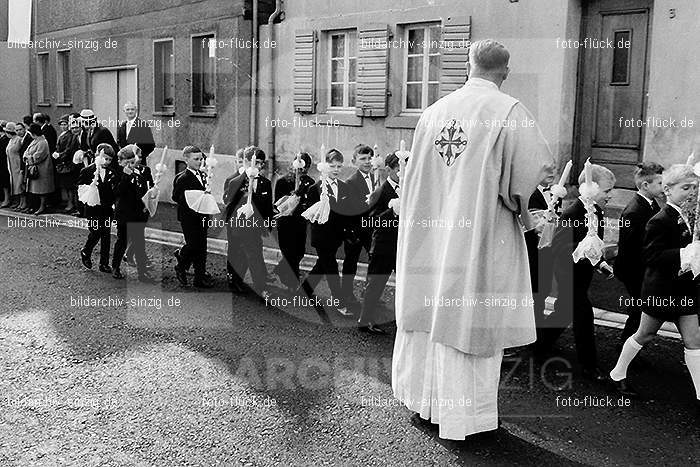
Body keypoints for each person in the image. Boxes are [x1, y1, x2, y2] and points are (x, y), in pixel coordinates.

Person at [392, 39, 554, 440]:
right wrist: (531, 212)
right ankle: (466, 419)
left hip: (431, 237)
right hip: (479, 237)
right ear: (505, 71)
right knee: (469, 322)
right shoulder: (508, 110)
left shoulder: (433, 112)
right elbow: (531, 174)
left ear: (469, 66)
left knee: (433, 317)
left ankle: (425, 403)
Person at [610, 164, 700, 407]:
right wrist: (685, 253)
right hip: (661, 291)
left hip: (684, 290)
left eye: (694, 188)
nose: (692, 192)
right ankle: (617, 373)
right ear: (668, 190)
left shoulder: (689, 217)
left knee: (694, 340)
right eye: (685, 188)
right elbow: (652, 257)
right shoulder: (658, 220)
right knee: (644, 334)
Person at [537, 164, 616, 380]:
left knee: (563, 312)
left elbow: (593, 244)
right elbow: (560, 248)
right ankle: (589, 365)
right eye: (607, 191)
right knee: (583, 315)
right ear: (589, 189)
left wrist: (599, 262)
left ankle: (538, 345)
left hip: (581, 274)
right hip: (568, 274)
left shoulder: (595, 211)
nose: (611, 196)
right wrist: (580, 255)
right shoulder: (574, 213)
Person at [614, 163, 665, 350]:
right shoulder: (634, 211)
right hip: (634, 270)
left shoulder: (650, 205)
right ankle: (625, 349)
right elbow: (629, 249)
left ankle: (631, 350)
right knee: (638, 311)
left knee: (640, 311)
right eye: (660, 183)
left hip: (641, 269)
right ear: (645, 185)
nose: (663, 187)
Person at [298, 148, 352, 316]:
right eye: (332, 166)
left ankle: (304, 290)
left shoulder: (343, 187)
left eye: (339, 166)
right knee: (331, 266)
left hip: (336, 235)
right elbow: (310, 214)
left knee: (322, 265)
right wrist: (321, 205)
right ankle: (339, 301)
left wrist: (347, 231)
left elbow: (344, 212)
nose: (336, 170)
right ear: (325, 166)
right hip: (322, 235)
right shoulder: (316, 188)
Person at [357, 152, 402, 335]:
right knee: (375, 285)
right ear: (389, 170)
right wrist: (392, 211)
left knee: (406, 285)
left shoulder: (406, 188)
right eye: (399, 170)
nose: (402, 174)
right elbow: (370, 221)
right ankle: (364, 320)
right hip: (383, 246)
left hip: (401, 246)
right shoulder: (381, 192)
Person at [223, 146, 274, 299]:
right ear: (245, 161)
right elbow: (228, 202)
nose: (258, 167)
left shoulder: (265, 183)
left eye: (261, 163)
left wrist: (268, 224)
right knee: (241, 254)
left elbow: (267, 207)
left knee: (254, 254)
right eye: (255, 162)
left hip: (255, 226)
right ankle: (237, 281)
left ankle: (259, 286)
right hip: (238, 226)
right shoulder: (235, 181)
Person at [341, 144, 378, 307]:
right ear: (354, 161)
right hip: (355, 229)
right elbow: (349, 208)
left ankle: (368, 292)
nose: (368, 162)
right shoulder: (351, 182)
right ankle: (346, 294)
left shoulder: (375, 178)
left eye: (370, 158)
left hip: (371, 229)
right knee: (351, 262)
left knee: (375, 260)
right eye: (363, 158)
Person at [111, 146, 154, 283]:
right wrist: (125, 176)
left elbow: (145, 189)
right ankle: (116, 266)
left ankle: (142, 272)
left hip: (138, 213)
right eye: (127, 162)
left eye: (132, 161)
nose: (130, 165)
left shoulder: (140, 172)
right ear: (120, 162)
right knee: (122, 241)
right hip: (124, 213)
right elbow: (117, 191)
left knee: (139, 242)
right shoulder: (117, 173)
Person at [273, 152, 315, 290]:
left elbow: (310, 202)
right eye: (299, 166)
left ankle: (281, 269)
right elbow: (277, 204)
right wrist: (290, 200)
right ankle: (292, 283)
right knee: (288, 251)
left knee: (299, 251)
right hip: (285, 222)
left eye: (305, 167)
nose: (301, 170)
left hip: (300, 222)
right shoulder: (283, 181)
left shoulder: (309, 183)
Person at [172, 145, 212, 288]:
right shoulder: (182, 178)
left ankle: (199, 278)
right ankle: (181, 262)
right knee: (193, 245)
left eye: (201, 159)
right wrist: (192, 198)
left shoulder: (203, 175)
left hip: (202, 215)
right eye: (196, 159)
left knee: (202, 247)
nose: (199, 162)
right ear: (186, 160)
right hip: (189, 217)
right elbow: (175, 197)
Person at [79, 144, 118, 273]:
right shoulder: (87, 171)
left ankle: (104, 263)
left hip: (107, 209)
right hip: (93, 209)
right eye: (104, 158)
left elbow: (114, 191)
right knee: (96, 231)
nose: (106, 162)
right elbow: (80, 191)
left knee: (106, 234)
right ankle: (87, 250)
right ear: (97, 155)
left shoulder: (112, 172)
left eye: (109, 160)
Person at [23, 123, 55, 215]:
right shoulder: (35, 141)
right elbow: (26, 153)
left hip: (42, 169)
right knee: (36, 190)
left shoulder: (42, 142)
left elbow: (39, 156)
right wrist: (28, 157)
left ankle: (42, 206)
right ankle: (36, 206)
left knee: (42, 190)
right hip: (35, 168)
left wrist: (28, 158)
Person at [54, 114, 81, 214]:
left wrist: (59, 155)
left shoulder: (70, 135)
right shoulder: (63, 135)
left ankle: (72, 204)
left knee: (70, 185)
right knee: (66, 185)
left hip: (69, 163)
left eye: (65, 124)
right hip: (64, 162)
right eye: (62, 124)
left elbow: (69, 150)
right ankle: (71, 203)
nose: (63, 126)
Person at [5, 123, 26, 211]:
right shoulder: (11, 140)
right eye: (16, 130)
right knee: (15, 184)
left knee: (20, 184)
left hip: (18, 164)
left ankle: (23, 202)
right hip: (12, 164)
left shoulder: (19, 140)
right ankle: (19, 202)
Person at [0, 121, 11, 207]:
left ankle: (7, 199)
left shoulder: (5, 140)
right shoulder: (4, 139)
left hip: (4, 163)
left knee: (5, 183)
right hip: (3, 163)